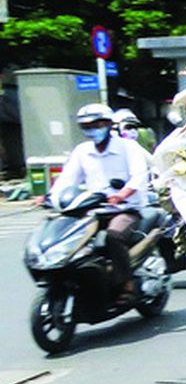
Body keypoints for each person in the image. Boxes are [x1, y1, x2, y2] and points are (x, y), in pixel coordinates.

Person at [37, 103, 151, 304]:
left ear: (109, 124)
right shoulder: (82, 151)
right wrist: (49, 196)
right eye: (87, 125)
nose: (93, 129)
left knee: (113, 236)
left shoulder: (128, 147)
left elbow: (140, 177)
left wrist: (122, 194)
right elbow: (67, 179)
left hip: (125, 209)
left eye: (98, 124)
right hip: (91, 210)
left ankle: (126, 283)